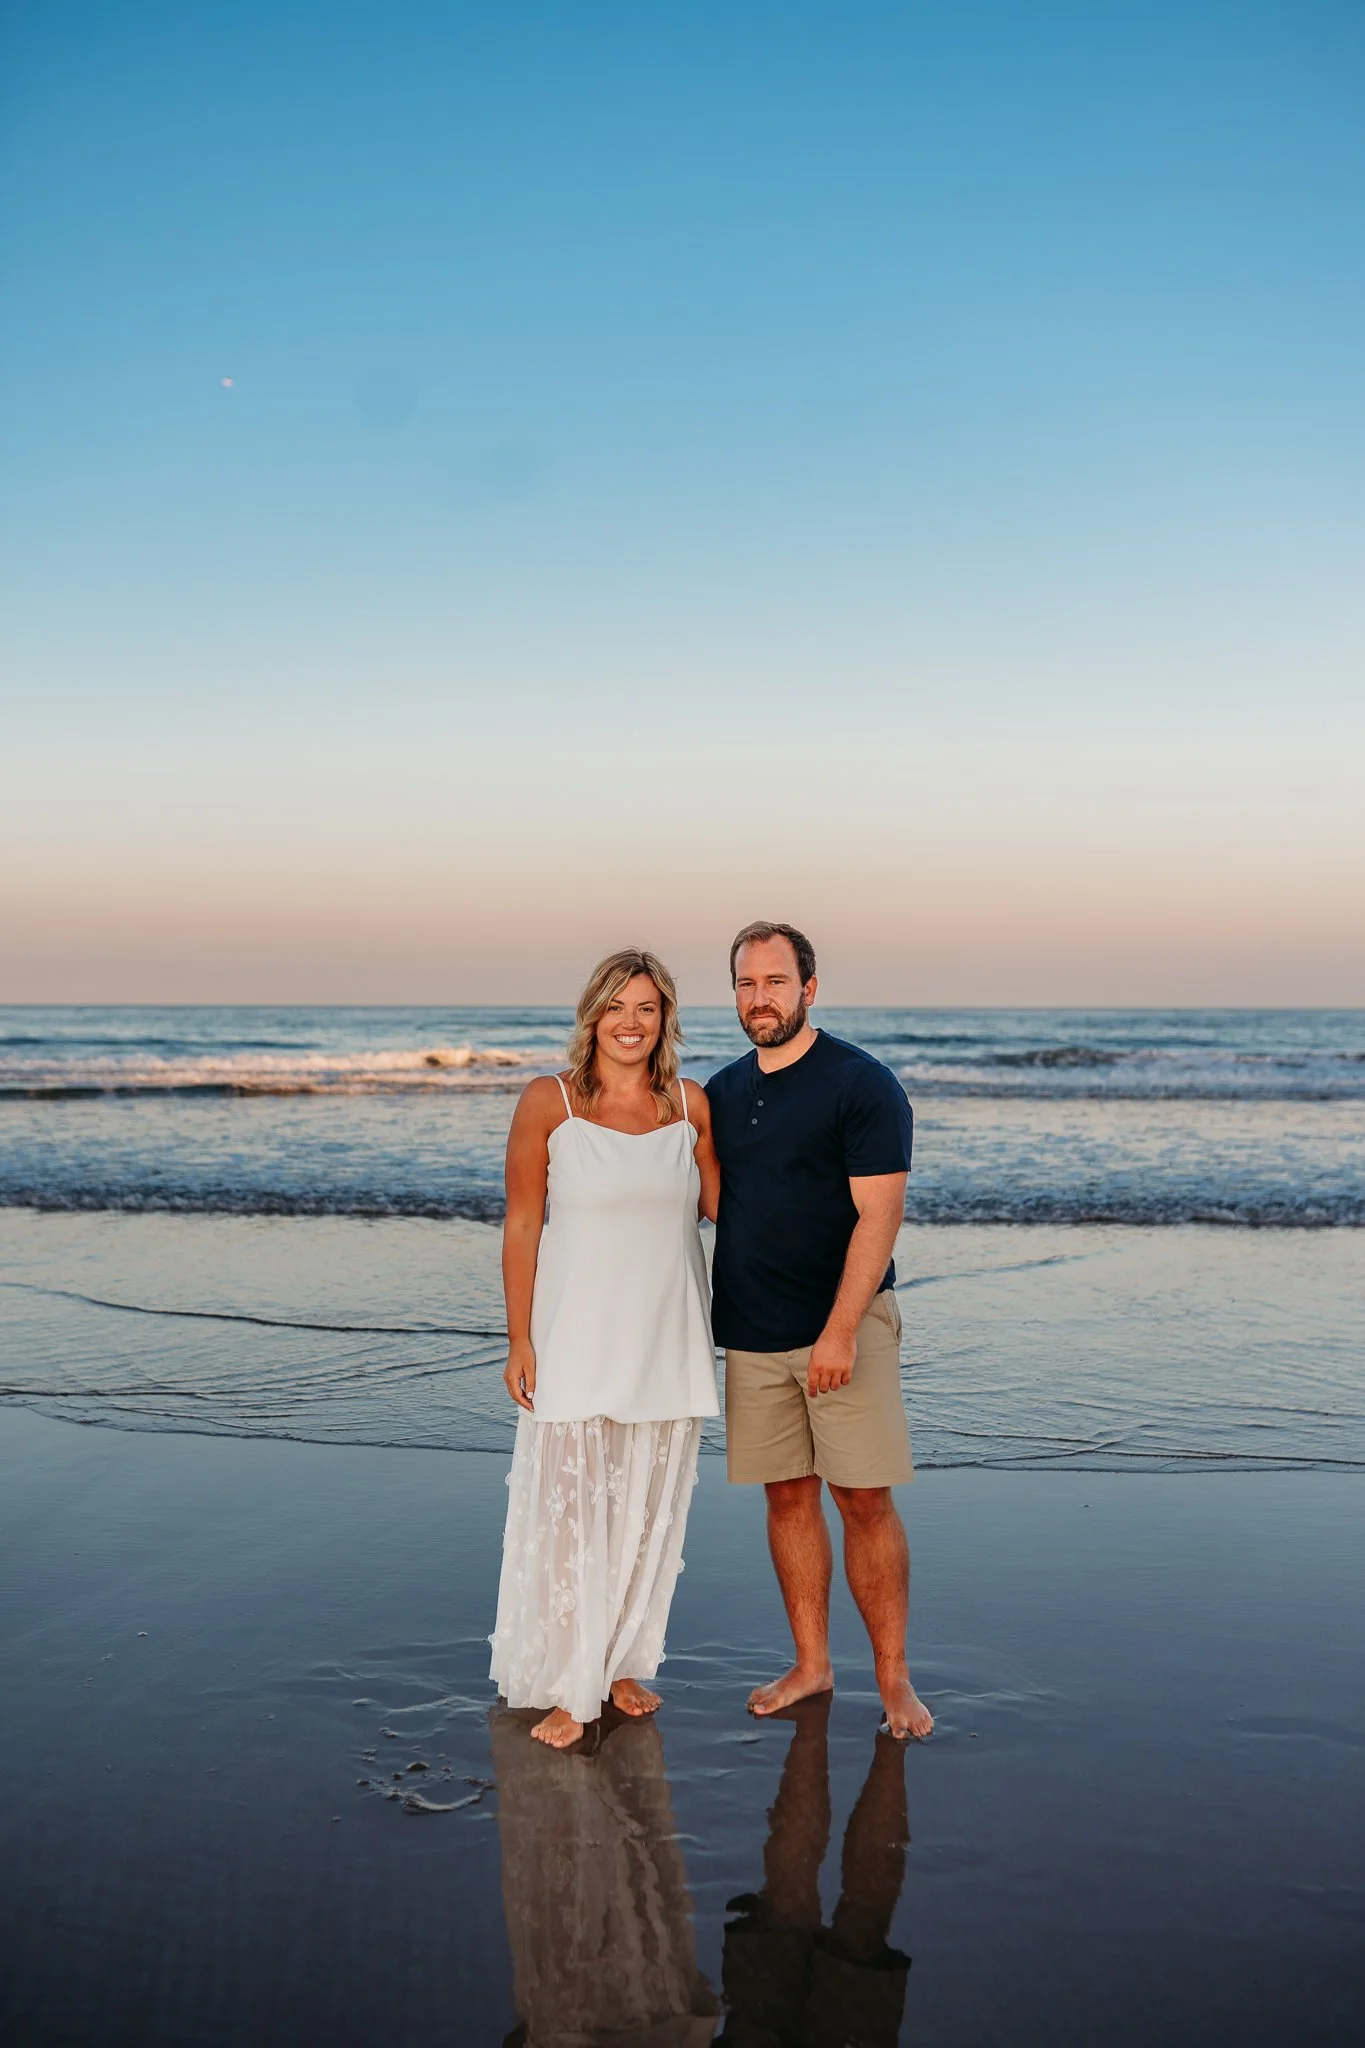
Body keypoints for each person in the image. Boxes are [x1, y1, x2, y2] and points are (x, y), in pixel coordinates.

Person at [705, 920, 933, 1740]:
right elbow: (717, 1203)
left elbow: (880, 1216)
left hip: (844, 1325)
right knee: (787, 1497)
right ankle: (811, 1665)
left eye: (774, 982)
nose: (758, 998)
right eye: (745, 983)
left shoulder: (860, 1084)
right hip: (752, 1329)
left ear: (808, 988)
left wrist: (839, 1331)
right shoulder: (721, 1092)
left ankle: (893, 1678)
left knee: (863, 1499)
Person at [489, 947, 721, 1750]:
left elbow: (728, 1208)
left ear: (665, 1020)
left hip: (666, 1332)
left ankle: (620, 1663)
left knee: (646, 1511)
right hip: (575, 1334)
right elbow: (523, 1223)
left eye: (646, 1008)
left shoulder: (689, 1105)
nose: (631, 1022)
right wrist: (519, 1338)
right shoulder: (547, 1101)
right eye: (617, 1006)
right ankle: (570, 1680)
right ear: (592, 1015)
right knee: (571, 1516)